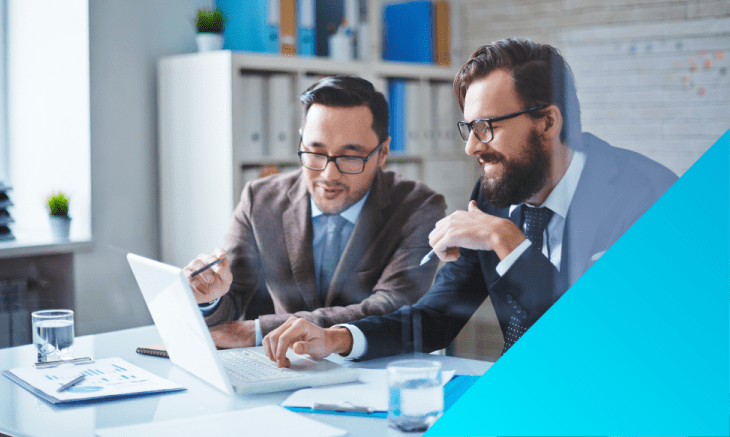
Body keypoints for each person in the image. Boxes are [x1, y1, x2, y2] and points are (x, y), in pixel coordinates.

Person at [261, 38, 678, 366]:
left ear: (548, 121)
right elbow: (437, 317)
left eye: (486, 127)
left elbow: (602, 345)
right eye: (469, 128)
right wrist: (339, 338)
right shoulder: (496, 195)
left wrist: (508, 242)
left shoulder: (646, 197)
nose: (472, 148)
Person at [184, 75, 447, 348]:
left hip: (373, 368)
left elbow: (392, 307)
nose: (328, 174)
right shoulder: (259, 200)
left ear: (383, 153)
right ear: (301, 143)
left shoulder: (420, 207)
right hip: (282, 367)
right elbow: (232, 299)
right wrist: (209, 297)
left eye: (349, 157)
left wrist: (259, 330)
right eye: (315, 152)